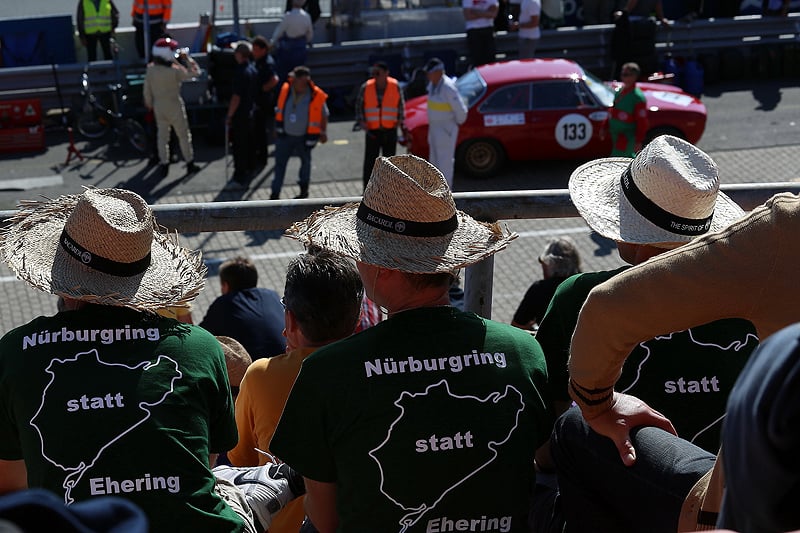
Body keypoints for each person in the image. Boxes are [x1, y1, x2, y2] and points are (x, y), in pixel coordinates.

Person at [270, 154, 552, 532]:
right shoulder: (522, 351)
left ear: (383, 268)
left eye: (360, 251)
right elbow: (543, 462)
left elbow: (324, 520)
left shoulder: (326, 372)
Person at [551, 191, 800, 531]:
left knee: (575, 427)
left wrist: (596, 404)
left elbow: (606, 309)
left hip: (751, 512)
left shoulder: (786, 232)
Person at [0, 187, 243, 531]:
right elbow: (205, 464)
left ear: (60, 280)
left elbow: (9, 487)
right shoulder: (200, 348)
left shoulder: (15, 353)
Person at [537, 134, 754, 462]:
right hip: (734, 494)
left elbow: (549, 435)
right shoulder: (754, 302)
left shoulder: (580, 298)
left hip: (620, 496)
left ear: (635, 240)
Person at [228, 249, 364, 533]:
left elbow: (242, 462)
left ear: (289, 320)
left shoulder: (261, 375)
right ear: (357, 317)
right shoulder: (373, 369)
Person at [199, 256, 286, 360]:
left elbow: (200, 337)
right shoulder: (272, 295)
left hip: (255, 368)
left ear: (225, 285)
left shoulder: (223, 304)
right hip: (287, 360)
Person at [143, 36, 201, 179]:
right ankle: (189, 163)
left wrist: (150, 104)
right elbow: (195, 72)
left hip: (159, 106)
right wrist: (186, 59)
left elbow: (146, 90)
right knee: (183, 135)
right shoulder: (175, 71)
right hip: (174, 104)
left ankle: (164, 164)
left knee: (162, 137)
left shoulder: (150, 69)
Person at [271, 65, 328, 200]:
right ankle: (274, 194)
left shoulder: (316, 95)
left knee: (305, 164)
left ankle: (304, 191)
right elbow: (278, 110)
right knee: (279, 164)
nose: (292, 79)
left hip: (304, 138)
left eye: (295, 77)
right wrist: (276, 128)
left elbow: (324, 114)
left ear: (303, 80)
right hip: (285, 136)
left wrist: (323, 131)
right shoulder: (286, 90)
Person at [510, 236, 580, 331]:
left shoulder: (540, 289)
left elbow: (517, 325)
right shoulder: (584, 284)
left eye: (542, 261)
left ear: (551, 263)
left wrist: (531, 327)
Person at [355, 61, 405, 190]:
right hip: (373, 131)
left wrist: (399, 121)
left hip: (390, 130)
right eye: (373, 73)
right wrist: (361, 122)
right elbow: (359, 106)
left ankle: (389, 189)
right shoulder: (366, 87)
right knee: (370, 163)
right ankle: (368, 190)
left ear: (386, 73)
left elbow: (400, 104)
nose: (375, 76)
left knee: (390, 163)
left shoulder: (395, 86)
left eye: (378, 73)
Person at [424, 57, 468, 190]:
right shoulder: (432, 85)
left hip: (445, 129)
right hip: (435, 128)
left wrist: (455, 125)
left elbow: (461, 111)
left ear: (438, 72)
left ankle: (446, 194)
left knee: (445, 164)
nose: (428, 75)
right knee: (434, 163)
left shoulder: (448, 87)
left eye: (430, 72)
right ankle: (435, 193)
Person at [225, 41, 258, 189]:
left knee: (239, 147)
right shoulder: (252, 69)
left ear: (239, 54)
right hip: (250, 112)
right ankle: (250, 169)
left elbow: (236, 97)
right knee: (249, 144)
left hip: (241, 115)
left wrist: (229, 116)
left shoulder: (240, 72)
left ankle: (239, 177)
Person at [252, 35, 280, 169]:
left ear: (263, 50)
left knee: (261, 130)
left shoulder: (267, 63)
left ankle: (262, 158)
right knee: (258, 130)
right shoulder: (258, 60)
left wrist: (262, 89)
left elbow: (274, 79)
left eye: (256, 49)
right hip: (260, 99)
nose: (254, 52)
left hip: (263, 101)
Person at [609, 61, 648, 157]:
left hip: (626, 136)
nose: (623, 77)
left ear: (634, 76)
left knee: (623, 159)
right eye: (622, 74)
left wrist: (639, 141)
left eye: (627, 75)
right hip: (616, 135)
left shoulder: (637, 97)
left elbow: (642, 122)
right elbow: (612, 110)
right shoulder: (619, 92)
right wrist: (604, 126)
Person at [271, 0, 314, 82]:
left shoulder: (288, 16)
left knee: (284, 74)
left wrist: (272, 43)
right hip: (301, 48)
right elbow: (310, 34)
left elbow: (279, 32)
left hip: (287, 49)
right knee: (299, 74)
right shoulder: (307, 16)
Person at [463, 0, 499, 68]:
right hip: (473, 31)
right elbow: (468, 15)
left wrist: (475, 11)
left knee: (490, 60)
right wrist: (486, 13)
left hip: (488, 29)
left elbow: (494, 14)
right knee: (477, 60)